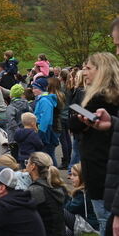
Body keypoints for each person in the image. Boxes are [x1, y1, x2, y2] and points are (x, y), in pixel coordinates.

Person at [69, 52, 119, 234]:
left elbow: (73, 123)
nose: (84, 72)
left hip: (101, 171)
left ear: (102, 71)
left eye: (88, 68)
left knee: (106, 222)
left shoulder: (99, 98)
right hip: (107, 169)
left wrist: (79, 119)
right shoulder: (112, 96)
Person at [25, 152, 66, 236]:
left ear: (33, 166)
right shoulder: (55, 186)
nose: (26, 165)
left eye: (27, 162)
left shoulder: (36, 190)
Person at [64, 163, 99, 231]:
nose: (71, 177)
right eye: (71, 174)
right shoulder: (88, 189)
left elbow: (70, 208)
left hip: (89, 227)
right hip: (93, 224)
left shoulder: (82, 193)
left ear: (82, 177)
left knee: (61, 211)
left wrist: (63, 194)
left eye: (74, 175)